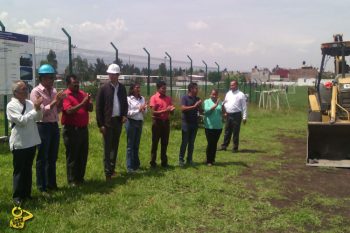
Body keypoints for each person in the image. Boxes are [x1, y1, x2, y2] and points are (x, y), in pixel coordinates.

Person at [30, 64, 66, 193]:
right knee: (42, 157)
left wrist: (60, 102)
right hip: (42, 126)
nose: (52, 80)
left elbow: (58, 110)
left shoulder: (54, 91)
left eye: (53, 78)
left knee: (52, 157)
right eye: (50, 78)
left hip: (53, 126)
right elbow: (39, 112)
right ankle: (42, 186)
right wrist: (54, 102)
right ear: (42, 78)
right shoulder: (36, 92)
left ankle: (52, 184)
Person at [7, 81, 43, 205]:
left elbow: (38, 118)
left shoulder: (29, 103)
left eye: (27, 88)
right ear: (16, 93)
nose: (26, 91)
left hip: (31, 141)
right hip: (19, 143)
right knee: (19, 170)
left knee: (28, 169)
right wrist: (35, 110)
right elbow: (21, 121)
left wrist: (38, 109)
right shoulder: (11, 106)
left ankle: (27, 194)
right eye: (23, 89)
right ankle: (17, 197)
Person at [96, 64, 128, 181]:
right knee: (107, 148)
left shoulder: (122, 88)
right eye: (110, 74)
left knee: (115, 146)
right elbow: (98, 108)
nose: (111, 76)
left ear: (118, 75)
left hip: (118, 121)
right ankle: (107, 173)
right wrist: (101, 124)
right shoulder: (103, 89)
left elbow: (125, 104)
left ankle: (112, 169)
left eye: (114, 74)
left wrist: (124, 115)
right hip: (107, 122)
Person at [61, 74, 93, 186]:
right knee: (72, 155)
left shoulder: (82, 94)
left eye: (78, 84)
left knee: (82, 155)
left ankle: (80, 178)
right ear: (68, 84)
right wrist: (83, 103)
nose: (77, 86)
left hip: (83, 129)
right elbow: (69, 111)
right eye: (74, 84)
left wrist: (89, 103)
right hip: (71, 130)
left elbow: (90, 109)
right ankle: (72, 180)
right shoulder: (65, 95)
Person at [149, 80, 175, 168]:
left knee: (165, 143)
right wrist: (165, 110)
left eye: (165, 88)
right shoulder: (154, 98)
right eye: (163, 88)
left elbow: (171, 111)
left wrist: (172, 110)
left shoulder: (168, 98)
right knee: (155, 142)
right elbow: (153, 112)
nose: (164, 90)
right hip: (157, 122)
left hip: (166, 122)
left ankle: (164, 162)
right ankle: (153, 162)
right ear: (158, 88)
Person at [219, 80, 247, 152]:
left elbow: (244, 106)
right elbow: (225, 102)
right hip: (228, 114)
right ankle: (224, 146)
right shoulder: (228, 93)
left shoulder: (241, 94)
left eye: (233, 85)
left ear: (237, 85)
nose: (231, 87)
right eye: (231, 85)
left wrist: (244, 117)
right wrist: (224, 111)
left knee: (235, 132)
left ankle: (235, 147)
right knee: (227, 131)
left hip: (236, 115)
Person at [178, 82, 202, 166]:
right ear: (191, 89)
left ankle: (189, 159)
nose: (197, 89)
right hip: (186, 124)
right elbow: (183, 108)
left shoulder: (197, 98)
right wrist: (194, 106)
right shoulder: (185, 98)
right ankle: (181, 160)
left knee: (191, 143)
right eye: (196, 88)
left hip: (194, 124)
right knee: (184, 142)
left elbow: (199, 110)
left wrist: (200, 107)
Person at [125, 82, 147, 173]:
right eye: (137, 87)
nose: (138, 89)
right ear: (132, 89)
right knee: (130, 145)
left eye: (139, 87)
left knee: (136, 145)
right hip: (131, 123)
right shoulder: (128, 99)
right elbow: (127, 113)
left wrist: (144, 109)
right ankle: (129, 167)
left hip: (139, 122)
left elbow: (145, 113)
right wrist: (139, 109)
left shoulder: (142, 99)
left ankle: (136, 165)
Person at [203, 89, 223, 166]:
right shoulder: (206, 102)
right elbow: (207, 111)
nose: (214, 96)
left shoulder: (220, 102)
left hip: (218, 126)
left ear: (217, 95)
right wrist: (215, 105)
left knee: (214, 143)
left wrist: (224, 114)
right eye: (213, 94)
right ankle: (208, 160)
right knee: (210, 143)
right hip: (209, 126)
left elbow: (220, 111)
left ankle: (213, 159)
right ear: (210, 95)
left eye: (216, 94)